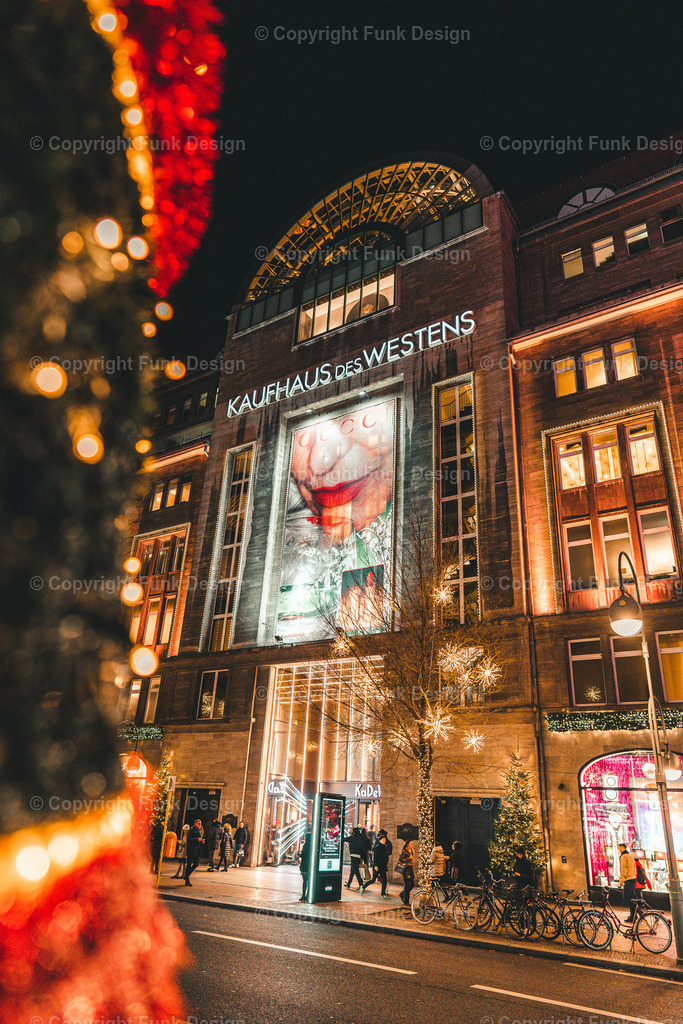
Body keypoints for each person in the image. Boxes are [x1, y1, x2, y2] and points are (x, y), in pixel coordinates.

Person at [362, 834, 391, 898]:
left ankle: (383, 894)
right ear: (380, 840)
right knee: (373, 879)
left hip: (383, 866)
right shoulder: (377, 848)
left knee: (384, 880)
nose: (384, 841)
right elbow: (375, 858)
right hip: (377, 866)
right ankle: (363, 886)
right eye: (383, 840)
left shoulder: (385, 847)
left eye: (385, 840)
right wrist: (376, 866)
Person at [618, 842, 638, 922]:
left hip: (628, 880)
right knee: (631, 898)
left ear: (622, 848)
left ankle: (635, 911)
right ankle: (633, 916)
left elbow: (623, 869)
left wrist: (622, 879)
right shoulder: (630, 856)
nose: (618, 849)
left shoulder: (624, 857)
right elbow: (634, 868)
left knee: (626, 897)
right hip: (633, 879)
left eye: (619, 848)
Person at [184, 819, 204, 886]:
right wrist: (197, 839)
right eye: (198, 823)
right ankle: (187, 879)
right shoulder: (191, 830)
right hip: (191, 849)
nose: (200, 825)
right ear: (195, 823)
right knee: (189, 864)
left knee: (196, 864)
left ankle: (186, 875)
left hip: (196, 850)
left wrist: (201, 841)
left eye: (200, 823)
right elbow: (189, 839)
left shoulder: (199, 830)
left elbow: (198, 838)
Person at [397, 840, 415, 906]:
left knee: (412, 884)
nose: (412, 845)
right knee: (407, 885)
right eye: (411, 844)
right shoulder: (405, 851)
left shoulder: (411, 851)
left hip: (410, 869)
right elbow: (401, 860)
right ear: (407, 844)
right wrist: (408, 858)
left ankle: (402, 894)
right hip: (406, 870)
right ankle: (406, 901)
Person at [299, 831, 312, 902]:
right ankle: (308, 895)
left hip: (305, 865)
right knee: (309, 881)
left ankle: (303, 895)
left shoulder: (306, 845)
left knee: (305, 881)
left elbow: (304, 855)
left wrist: (299, 855)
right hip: (310, 865)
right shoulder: (312, 845)